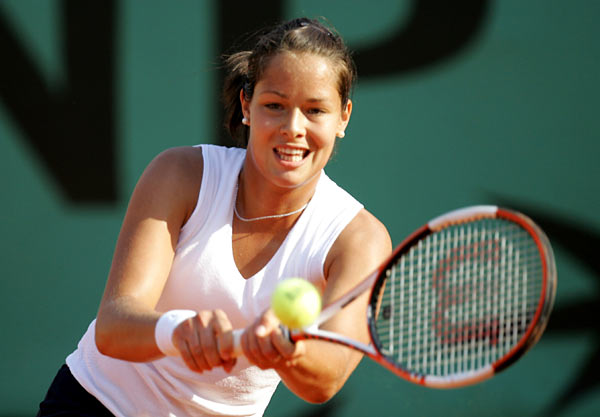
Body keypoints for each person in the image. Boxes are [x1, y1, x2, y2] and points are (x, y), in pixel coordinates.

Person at [37, 17, 392, 417]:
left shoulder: (360, 239)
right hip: (97, 405)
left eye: (315, 111)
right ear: (247, 105)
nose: (293, 128)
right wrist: (179, 331)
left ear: (343, 117)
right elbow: (115, 326)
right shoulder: (181, 173)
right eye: (274, 106)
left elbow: (326, 379)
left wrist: (285, 349)